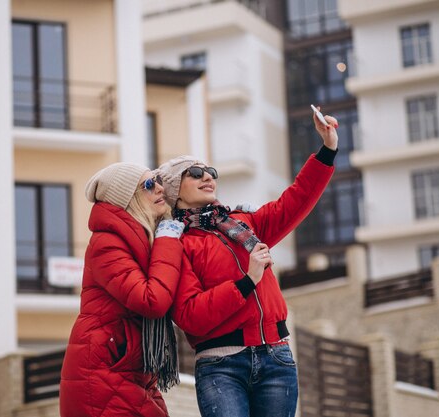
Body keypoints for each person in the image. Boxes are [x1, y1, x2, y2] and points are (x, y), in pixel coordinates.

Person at [157, 109, 339, 417]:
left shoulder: (244, 223)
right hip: (221, 366)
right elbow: (190, 315)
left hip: (276, 358)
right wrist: (246, 282)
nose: (208, 177)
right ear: (175, 189)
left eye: (210, 170)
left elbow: (296, 199)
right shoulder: (179, 245)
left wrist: (327, 148)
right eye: (195, 173)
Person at [59, 162, 185, 417]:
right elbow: (152, 300)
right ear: (129, 198)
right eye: (149, 184)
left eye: (158, 180)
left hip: (128, 366)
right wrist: (168, 240)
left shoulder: (142, 239)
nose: (160, 188)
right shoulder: (106, 243)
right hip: (104, 370)